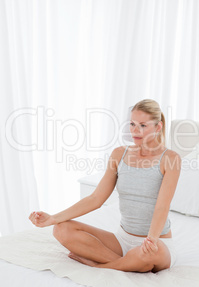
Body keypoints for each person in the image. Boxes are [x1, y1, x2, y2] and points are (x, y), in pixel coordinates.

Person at [29, 99, 181, 273]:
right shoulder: (119, 154)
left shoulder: (171, 158)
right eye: (132, 124)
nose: (135, 130)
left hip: (156, 243)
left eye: (143, 125)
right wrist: (53, 218)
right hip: (122, 240)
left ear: (158, 127)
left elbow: (162, 207)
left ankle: (99, 265)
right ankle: (128, 263)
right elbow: (96, 198)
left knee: (148, 256)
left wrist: (151, 240)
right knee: (61, 229)